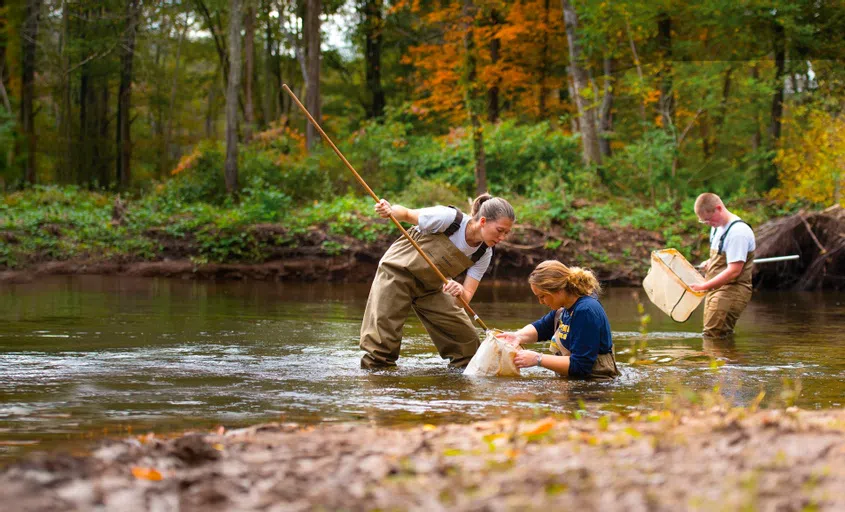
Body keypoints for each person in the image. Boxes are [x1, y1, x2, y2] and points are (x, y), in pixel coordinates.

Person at [359, 194, 515, 369]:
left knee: (468, 345)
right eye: (500, 230)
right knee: (381, 346)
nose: (502, 238)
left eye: (506, 233)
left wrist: (459, 291)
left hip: (432, 288)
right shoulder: (449, 218)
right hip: (396, 272)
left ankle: (458, 389)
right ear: (483, 221)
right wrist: (390, 209)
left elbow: (464, 299)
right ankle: (376, 387)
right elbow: (407, 214)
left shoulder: (484, 253)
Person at [497, 260, 619, 380]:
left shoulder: (586, 310)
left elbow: (580, 366)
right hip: (574, 383)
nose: (541, 302)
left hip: (592, 389)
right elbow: (541, 328)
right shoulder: (564, 310)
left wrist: (537, 359)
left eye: (542, 296)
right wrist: (517, 336)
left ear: (558, 291)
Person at [688, 193, 756, 338]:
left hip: (731, 291)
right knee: (714, 336)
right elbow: (723, 255)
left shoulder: (738, 232)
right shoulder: (717, 227)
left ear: (718, 208)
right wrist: (709, 262)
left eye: (708, 219)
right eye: (703, 222)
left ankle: (733, 360)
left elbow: (733, 271)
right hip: (715, 290)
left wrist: (703, 287)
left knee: (714, 336)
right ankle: (729, 359)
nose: (707, 224)